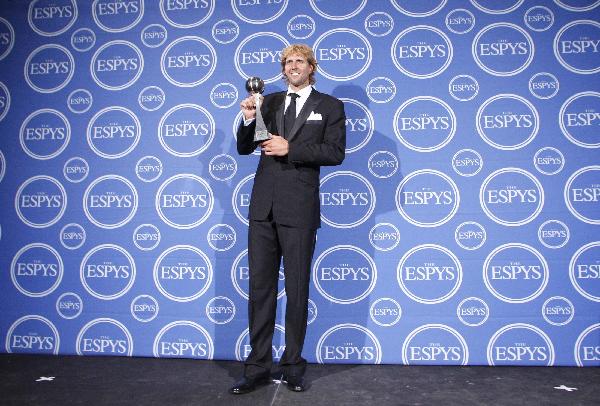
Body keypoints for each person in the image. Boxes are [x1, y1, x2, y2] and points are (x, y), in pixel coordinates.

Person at [230, 44, 346, 394]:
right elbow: (244, 147)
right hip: (262, 208)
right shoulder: (271, 101)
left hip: (299, 209)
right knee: (260, 289)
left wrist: (290, 148)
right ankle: (257, 368)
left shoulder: (329, 106)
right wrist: (250, 118)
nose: (292, 66)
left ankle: (293, 366)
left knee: (296, 290)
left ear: (312, 67)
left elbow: (334, 152)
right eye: (287, 62)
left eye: (299, 61)